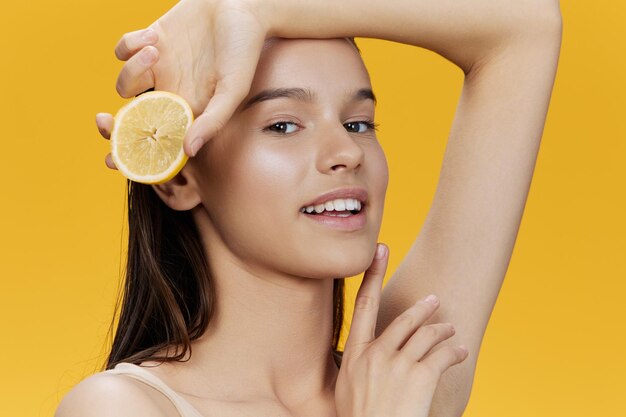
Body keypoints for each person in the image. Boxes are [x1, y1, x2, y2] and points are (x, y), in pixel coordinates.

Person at [56, 0, 562, 416]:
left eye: (359, 123)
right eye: (283, 125)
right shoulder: (122, 408)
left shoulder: (407, 369)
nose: (346, 152)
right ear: (182, 178)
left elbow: (526, 26)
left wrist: (254, 10)